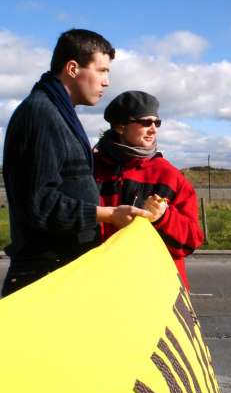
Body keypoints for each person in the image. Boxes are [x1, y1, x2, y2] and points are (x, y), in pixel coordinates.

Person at [2, 29, 152, 297]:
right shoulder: (41, 115)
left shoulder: (57, 112)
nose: (106, 82)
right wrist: (107, 214)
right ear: (73, 68)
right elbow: (39, 203)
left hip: (59, 269)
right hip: (44, 275)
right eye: (102, 70)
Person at [93, 90, 203, 290]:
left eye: (157, 123)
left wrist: (164, 218)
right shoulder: (90, 169)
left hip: (153, 292)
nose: (153, 129)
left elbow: (191, 241)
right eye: (145, 122)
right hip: (100, 286)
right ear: (120, 126)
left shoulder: (169, 176)